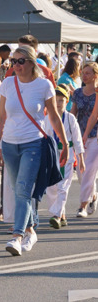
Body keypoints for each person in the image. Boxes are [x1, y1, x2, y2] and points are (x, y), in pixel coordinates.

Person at [0, 45, 68, 257]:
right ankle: (31, 229)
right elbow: (1, 118)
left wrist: (65, 144)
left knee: (23, 190)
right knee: (17, 190)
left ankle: (17, 236)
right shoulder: (7, 84)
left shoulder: (43, 85)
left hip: (34, 143)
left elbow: (53, 116)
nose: (16, 65)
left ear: (32, 63)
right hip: (10, 144)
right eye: (13, 61)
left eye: (21, 61)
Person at [43, 85, 84, 229]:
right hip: (52, 156)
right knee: (52, 188)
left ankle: (57, 215)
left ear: (67, 102)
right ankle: (62, 215)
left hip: (67, 157)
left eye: (62, 100)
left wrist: (81, 160)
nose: (59, 103)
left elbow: (77, 139)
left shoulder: (70, 118)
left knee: (62, 187)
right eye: (56, 100)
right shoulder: (47, 118)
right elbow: (44, 137)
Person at [76, 61, 98, 217]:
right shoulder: (77, 92)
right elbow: (72, 113)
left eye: (88, 73)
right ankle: (93, 195)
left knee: (89, 169)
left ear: (95, 76)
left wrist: (86, 134)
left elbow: (94, 116)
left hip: (95, 135)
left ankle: (82, 206)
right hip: (79, 134)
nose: (84, 75)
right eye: (83, 72)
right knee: (80, 172)